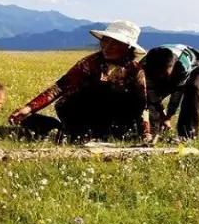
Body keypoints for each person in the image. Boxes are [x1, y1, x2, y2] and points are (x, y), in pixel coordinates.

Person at [9, 20, 152, 143]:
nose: (107, 47)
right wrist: (29, 108)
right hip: (80, 112)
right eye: (105, 41)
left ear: (127, 47)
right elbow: (60, 87)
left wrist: (146, 133)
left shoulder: (135, 71)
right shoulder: (89, 63)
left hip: (113, 118)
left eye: (114, 44)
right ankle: (62, 128)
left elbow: (141, 105)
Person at [141, 44, 199, 141]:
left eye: (164, 73)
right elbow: (151, 94)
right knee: (145, 96)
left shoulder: (182, 66)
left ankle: (188, 134)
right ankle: (154, 132)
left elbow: (177, 94)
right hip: (167, 69)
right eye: (157, 74)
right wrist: (161, 114)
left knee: (193, 89)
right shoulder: (144, 65)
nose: (160, 77)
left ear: (172, 66)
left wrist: (168, 117)